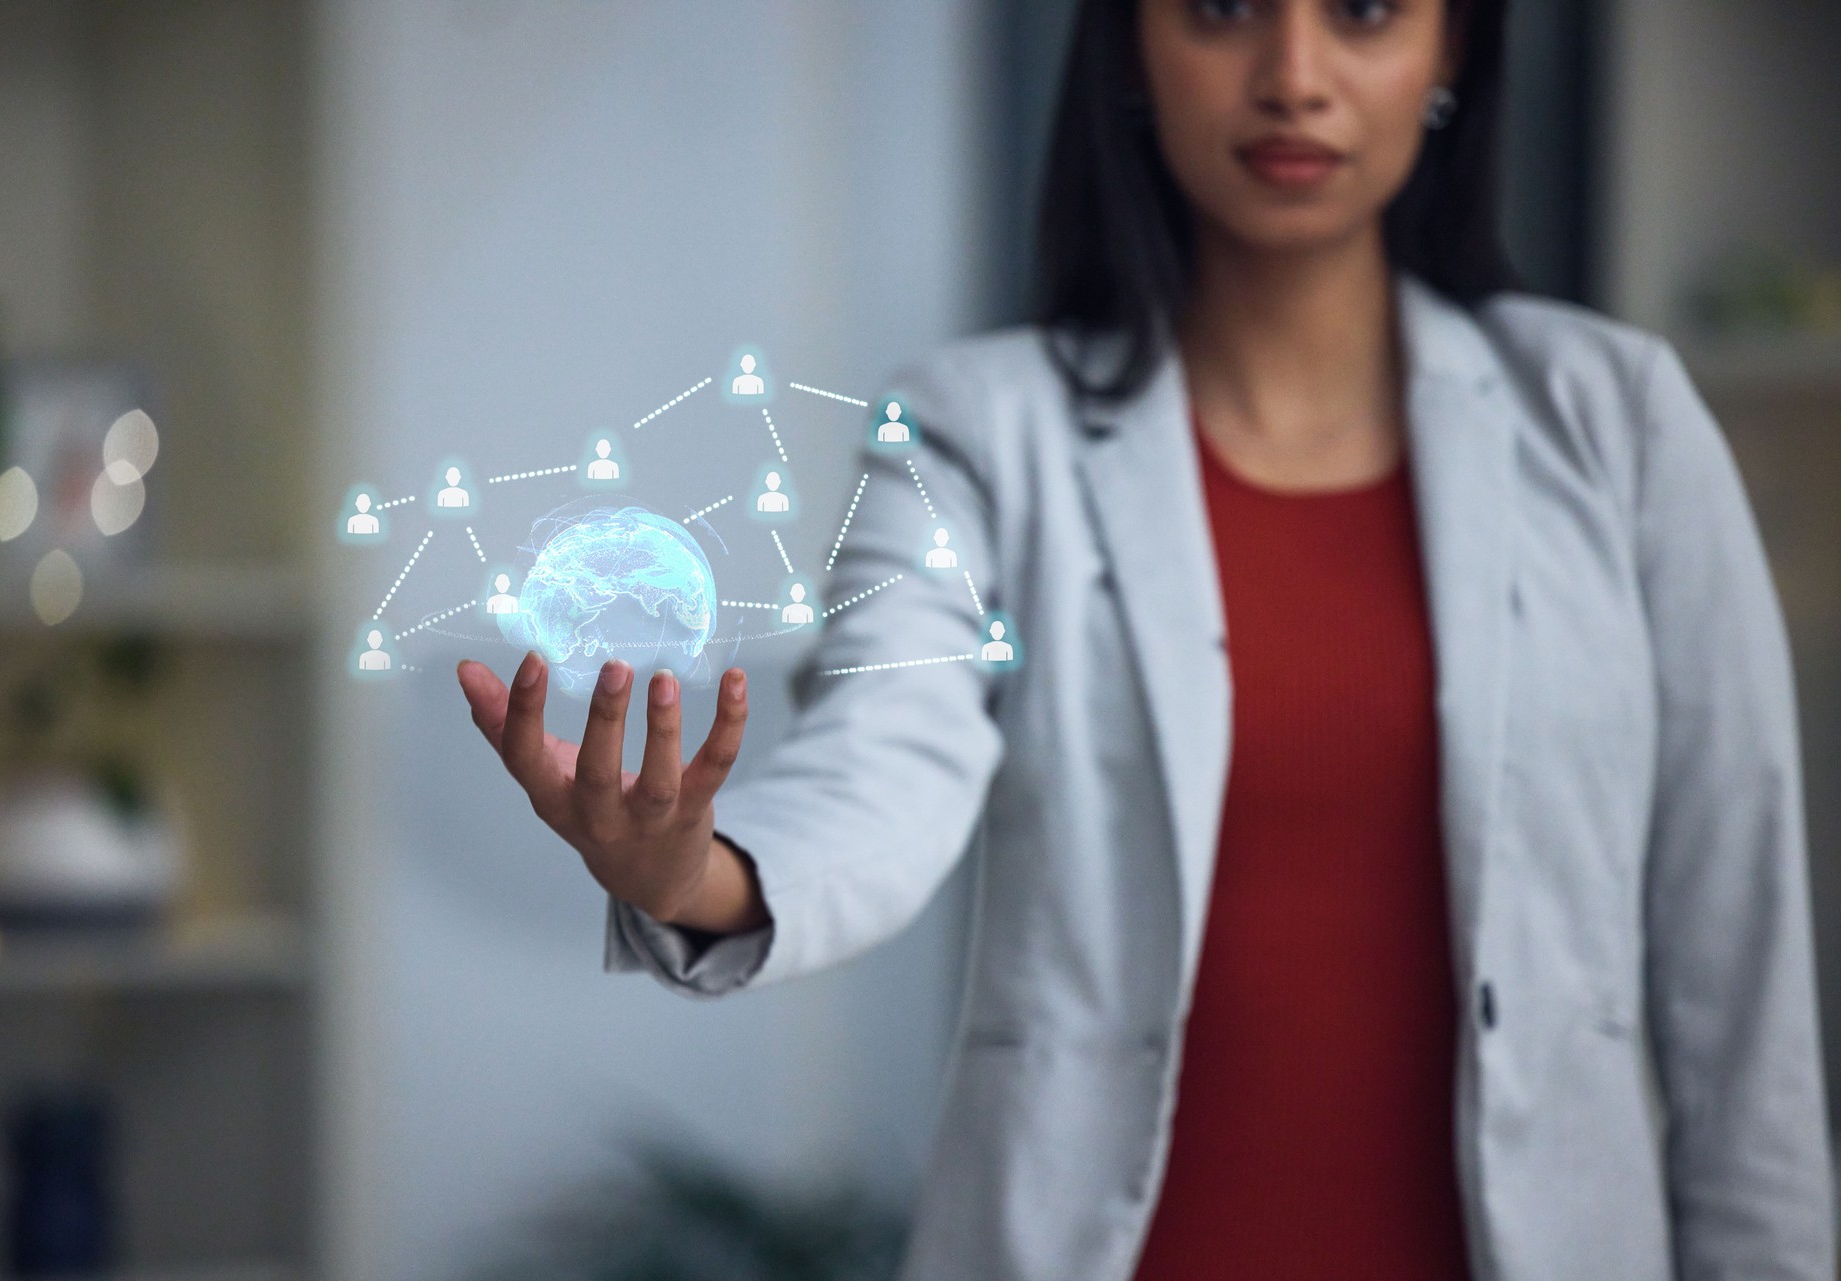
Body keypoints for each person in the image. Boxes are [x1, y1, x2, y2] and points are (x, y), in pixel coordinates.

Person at [456, 1, 1834, 1277]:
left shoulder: (1618, 418)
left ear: (1452, 50)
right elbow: (889, 761)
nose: (1293, 77)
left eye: (1361, 10)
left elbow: (1739, 956)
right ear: (1127, 44)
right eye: (1223, 7)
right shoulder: (976, 428)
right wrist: (701, 871)